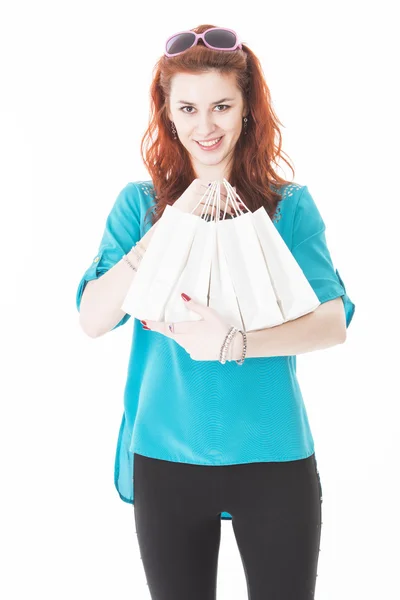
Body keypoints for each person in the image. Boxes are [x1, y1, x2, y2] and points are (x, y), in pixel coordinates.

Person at [76, 24, 356, 600]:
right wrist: (166, 229)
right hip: (165, 454)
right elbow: (93, 317)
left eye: (222, 106)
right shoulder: (140, 206)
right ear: (169, 113)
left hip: (274, 455)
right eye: (189, 108)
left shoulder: (288, 207)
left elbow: (333, 324)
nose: (206, 126)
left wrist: (236, 344)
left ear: (247, 108)